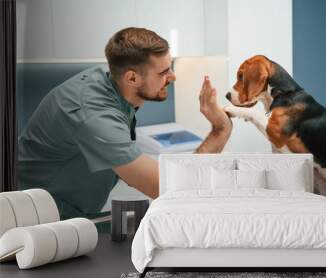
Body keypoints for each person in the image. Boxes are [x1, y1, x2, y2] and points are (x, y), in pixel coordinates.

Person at [18, 27, 232, 219]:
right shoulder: (95, 114)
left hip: (69, 215)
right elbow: (171, 189)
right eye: (164, 72)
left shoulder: (110, 88)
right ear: (131, 79)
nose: (173, 77)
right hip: (35, 220)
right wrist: (220, 129)